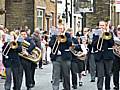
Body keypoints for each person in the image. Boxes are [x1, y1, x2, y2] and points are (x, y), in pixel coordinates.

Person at [49, 19, 72, 90]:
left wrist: (63, 38)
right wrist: (56, 39)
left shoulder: (67, 35)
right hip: (56, 58)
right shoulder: (54, 35)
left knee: (66, 75)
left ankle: (67, 88)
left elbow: (70, 43)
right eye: (58, 28)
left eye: (61, 28)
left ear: (64, 29)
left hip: (65, 57)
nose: (60, 30)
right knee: (56, 75)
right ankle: (55, 88)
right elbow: (50, 44)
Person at [92, 21, 115, 90]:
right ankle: (100, 88)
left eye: (103, 25)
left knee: (108, 73)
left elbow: (111, 44)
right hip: (99, 56)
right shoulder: (96, 34)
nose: (101, 27)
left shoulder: (110, 33)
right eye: (100, 25)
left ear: (105, 26)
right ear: (98, 26)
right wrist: (100, 37)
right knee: (100, 74)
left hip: (108, 56)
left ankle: (107, 88)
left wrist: (107, 35)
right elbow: (94, 45)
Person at [112, 25, 120, 90]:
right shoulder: (114, 38)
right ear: (116, 31)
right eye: (119, 30)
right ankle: (116, 85)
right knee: (115, 71)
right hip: (116, 56)